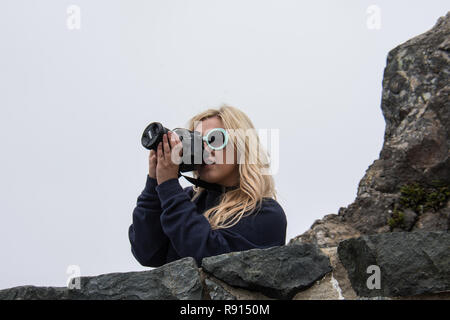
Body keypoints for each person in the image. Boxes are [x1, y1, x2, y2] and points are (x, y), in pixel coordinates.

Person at [128, 105, 287, 267]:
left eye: (215, 139)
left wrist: (170, 189)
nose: (205, 150)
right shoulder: (184, 201)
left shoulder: (265, 213)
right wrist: (154, 183)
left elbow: (210, 258)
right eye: (198, 142)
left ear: (242, 145)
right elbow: (146, 253)